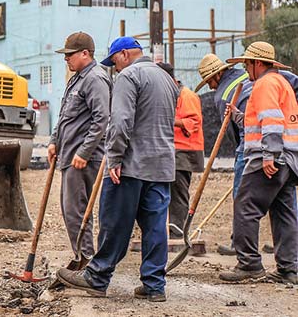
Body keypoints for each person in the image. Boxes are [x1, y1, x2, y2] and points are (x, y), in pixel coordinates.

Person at [56, 37, 178, 302]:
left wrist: (115, 159)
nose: (115, 68)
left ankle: (97, 277)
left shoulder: (129, 76)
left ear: (124, 55)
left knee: (115, 223)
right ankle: (155, 285)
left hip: (131, 165)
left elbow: (120, 122)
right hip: (162, 165)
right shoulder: (166, 79)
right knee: (155, 226)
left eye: (115, 62)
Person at [218, 42, 298, 284]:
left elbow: (272, 121)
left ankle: (249, 264)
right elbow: (266, 121)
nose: (245, 68)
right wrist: (239, 116)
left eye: (247, 63)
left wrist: (269, 155)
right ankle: (288, 268)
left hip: (272, 157)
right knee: (283, 212)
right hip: (289, 158)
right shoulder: (281, 83)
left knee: (245, 206)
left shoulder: (264, 84)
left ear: (258, 63)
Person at [49, 32, 111, 261]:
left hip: (84, 158)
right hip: (69, 154)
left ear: (85, 53)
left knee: (77, 212)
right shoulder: (77, 79)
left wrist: (84, 152)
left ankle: (86, 260)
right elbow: (66, 114)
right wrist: (54, 141)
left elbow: (102, 119)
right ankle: (81, 258)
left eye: (70, 55)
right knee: (70, 211)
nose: (66, 59)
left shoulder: (95, 78)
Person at [194, 53, 251, 255]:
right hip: (276, 139)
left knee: (241, 195)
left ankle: (240, 244)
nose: (209, 87)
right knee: (279, 195)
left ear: (216, 76)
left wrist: (241, 158)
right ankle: (288, 245)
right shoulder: (246, 75)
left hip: (249, 144)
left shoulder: (222, 95)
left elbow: (232, 133)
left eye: (209, 81)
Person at [159, 62, 204, 239]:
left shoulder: (187, 96)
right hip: (172, 149)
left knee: (178, 190)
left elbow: (193, 122)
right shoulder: (170, 94)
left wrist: (166, 120)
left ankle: (177, 230)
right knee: (169, 189)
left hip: (185, 150)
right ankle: (171, 227)